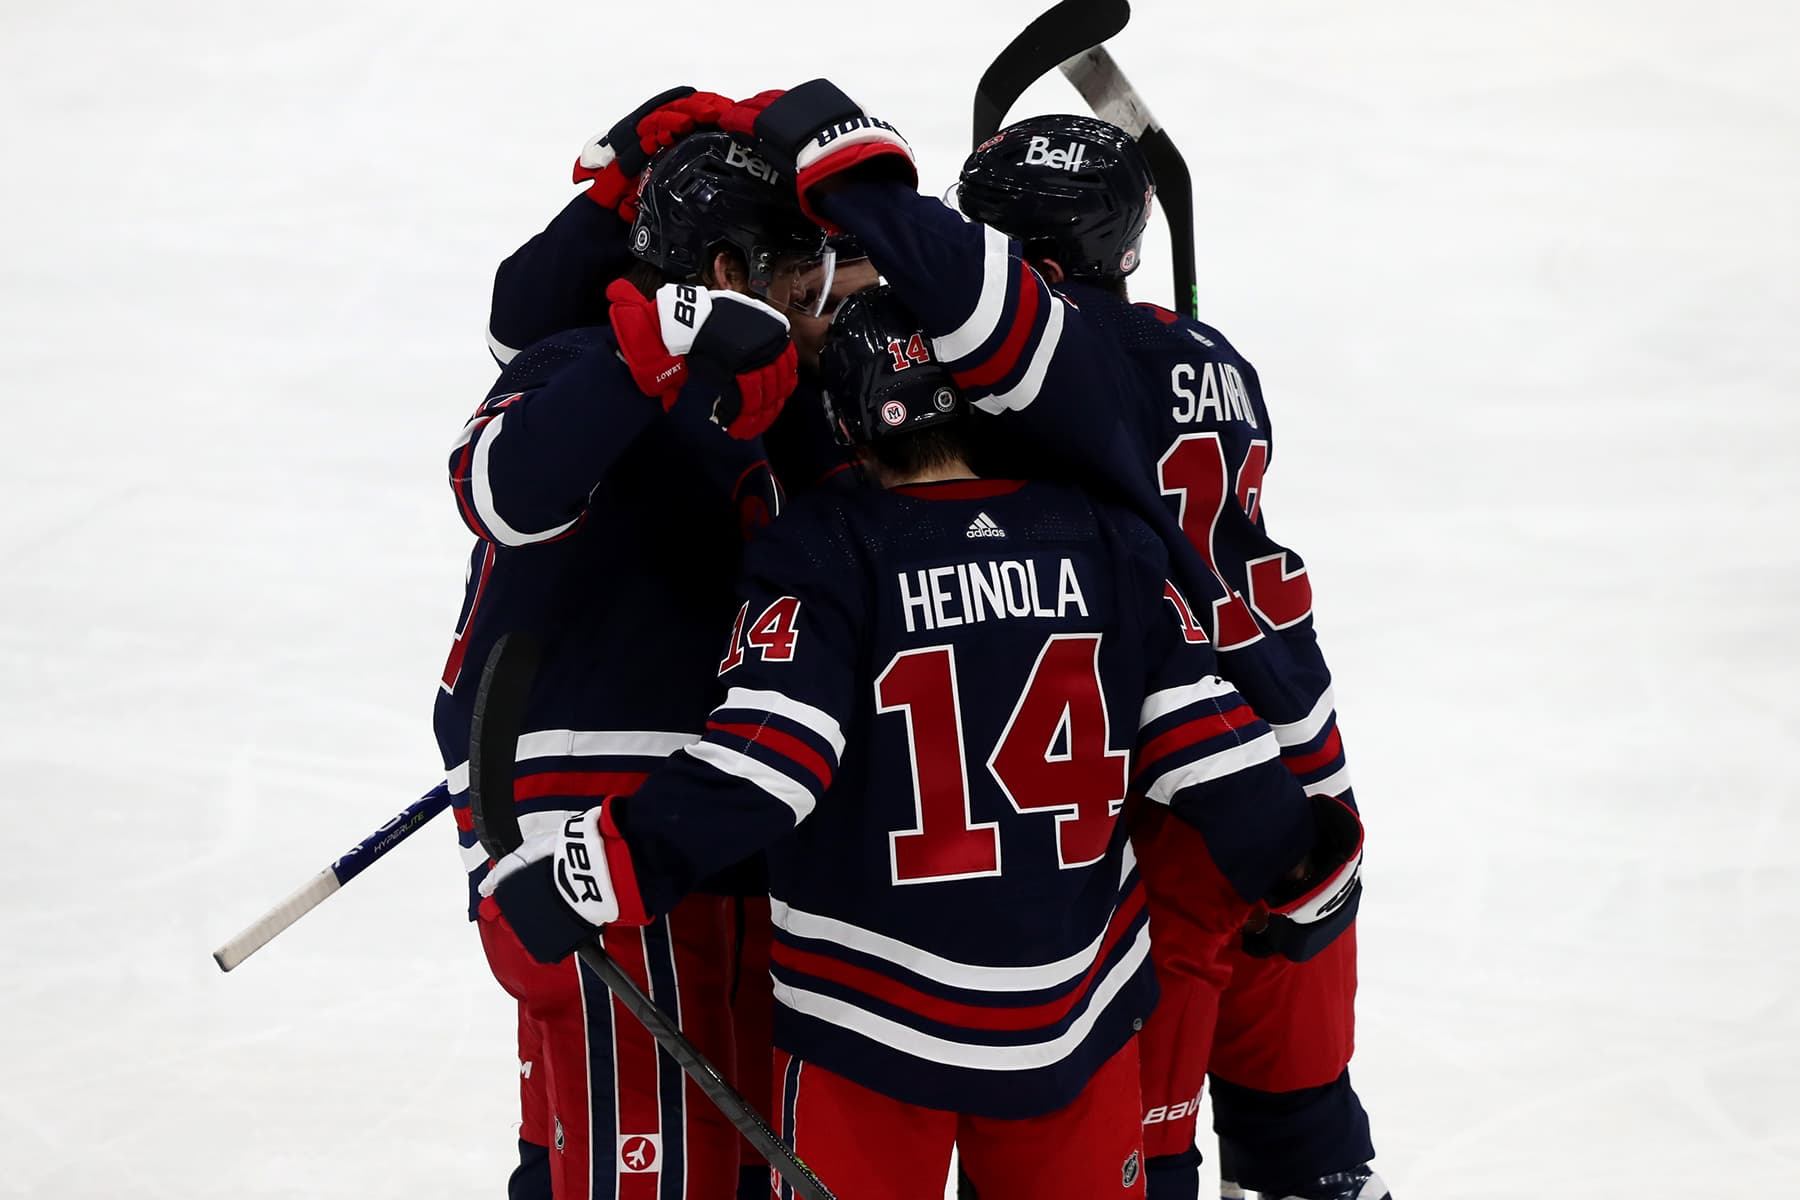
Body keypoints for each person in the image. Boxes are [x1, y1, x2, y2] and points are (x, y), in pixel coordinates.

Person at [478, 285, 1364, 1200]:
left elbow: (770, 764)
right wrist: (1295, 861)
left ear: (847, 430)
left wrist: (593, 870)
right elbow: (1207, 741)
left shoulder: (823, 546)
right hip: (1073, 1018)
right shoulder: (1107, 538)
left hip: (868, 1026)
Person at [710, 83, 1383, 1200]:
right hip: (1298, 764)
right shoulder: (1215, 358)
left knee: (1145, 1138)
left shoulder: (1044, 379)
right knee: (1302, 1122)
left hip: (1165, 789)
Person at [434, 123, 823, 1199]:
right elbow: (503, 490)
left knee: (631, 1162)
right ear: (725, 272)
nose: (828, 299)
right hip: (593, 843)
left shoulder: (788, 405)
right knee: (640, 1167)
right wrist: (656, 346)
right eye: (805, 274)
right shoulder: (583, 361)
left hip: (711, 830)